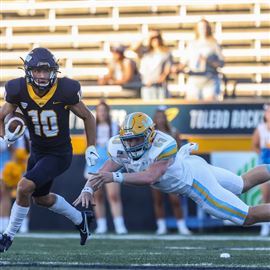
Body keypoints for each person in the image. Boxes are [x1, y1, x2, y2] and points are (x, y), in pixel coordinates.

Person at [74, 112, 270, 231]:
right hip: (193, 166)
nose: (131, 144)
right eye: (128, 139)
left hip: (195, 183)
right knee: (241, 183)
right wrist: (87, 189)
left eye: (137, 139)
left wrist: (115, 177)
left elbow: (151, 176)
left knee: (247, 217)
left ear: (150, 136)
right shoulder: (118, 146)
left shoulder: (163, 144)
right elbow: (102, 171)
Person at [0, 47, 99, 252]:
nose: (43, 76)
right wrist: (5, 135)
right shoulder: (17, 89)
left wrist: (91, 145)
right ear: (28, 71)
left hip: (59, 153)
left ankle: (7, 235)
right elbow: (2, 115)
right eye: (37, 71)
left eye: (46, 71)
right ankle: (81, 219)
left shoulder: (65, 90)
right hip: (37, 152)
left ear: (54, 71)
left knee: (23, 187)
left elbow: (88, 116)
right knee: (41, 199)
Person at [84, 100, 127, 234]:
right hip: (95, 164)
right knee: (97, 196)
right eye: (99, 110)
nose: (102, 113)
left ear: (108, 112)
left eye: (104, 110)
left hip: (111, 163)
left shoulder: (115, 127)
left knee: (113, 195)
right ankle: (101, 225)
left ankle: (119, 225)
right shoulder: (91, 127)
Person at [152, 108, 191, 235]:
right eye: (158, 117)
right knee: (158, 200)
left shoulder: (173, 132)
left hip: (171, 170)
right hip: (155, 170)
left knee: (175, 200)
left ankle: (181, 226)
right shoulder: (150, 134)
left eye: (162, 117)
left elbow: (179, 151)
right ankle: (161, 226)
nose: (160, 120)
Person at [172, 19, 224, 100]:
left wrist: (208, 61)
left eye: (204, 27)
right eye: (200, 27)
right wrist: (177, 68)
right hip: (194, 79)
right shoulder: (191, 44)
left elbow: (221, 63)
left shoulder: (214, 44)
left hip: (209, 79)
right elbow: (184, 62)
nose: (202, 29)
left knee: (208, 106)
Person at [132, 30, 172, 100]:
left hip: (159, 85)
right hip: (146, 85)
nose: (155, 40)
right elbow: (134, 48)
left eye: (157, 38)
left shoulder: (166, 53)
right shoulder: (145, 52)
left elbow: (166, 70)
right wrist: (146, 37)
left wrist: (157, 81)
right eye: (153, 38)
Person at [252, 103, 270, 236]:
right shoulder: (261, 129)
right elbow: (255, 145)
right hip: (265, 164)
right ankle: (265, 225)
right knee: (266, 196)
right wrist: (262, 157)